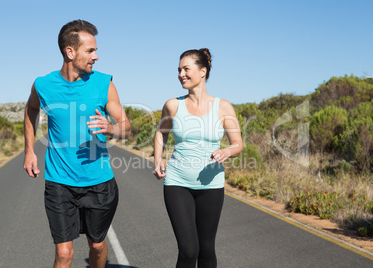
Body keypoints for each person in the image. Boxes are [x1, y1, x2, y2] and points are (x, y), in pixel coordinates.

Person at [24, 19, 131, 268]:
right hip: (59, 183)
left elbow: (126, 127)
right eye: (90, 50)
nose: (96, 56)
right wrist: (29, 151)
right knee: (63, 253)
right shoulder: (43, 84)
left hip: (99, 182)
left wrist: (111, 128)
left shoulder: (104, 83)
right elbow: (30, 111)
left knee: (97, 245)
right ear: (70, 52)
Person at [153, 48, 244, 267]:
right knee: (188, 250)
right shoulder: (173, 105)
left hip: (211, 184)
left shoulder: (223, 106)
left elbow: (238, 143)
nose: (181, 74)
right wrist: (158, 159)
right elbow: (160, 133)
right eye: (179, 70)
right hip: (177, 182)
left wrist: (226, 151)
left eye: (186, 69)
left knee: (206, 249)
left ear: (202, 71)